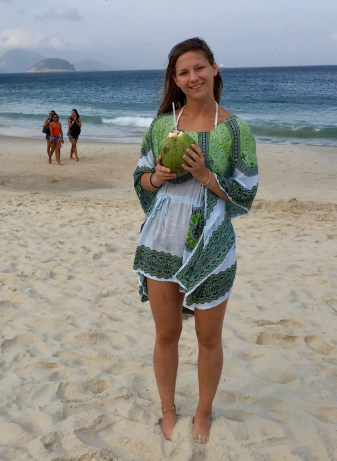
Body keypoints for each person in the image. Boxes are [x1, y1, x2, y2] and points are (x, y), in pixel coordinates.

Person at [132, 38, 259, 444]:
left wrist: (206, 177)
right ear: (176, 79)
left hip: (211, 242)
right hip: (162, 239)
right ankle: (168, 409)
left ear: (215, 69)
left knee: (208, 338)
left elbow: (246, 193)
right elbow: (141, 180)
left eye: (199, 68)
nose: (193, 77)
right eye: (184, 72)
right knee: (166, 335)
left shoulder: (235, 130)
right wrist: (158, 177)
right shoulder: (161, 127)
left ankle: (203, 412)